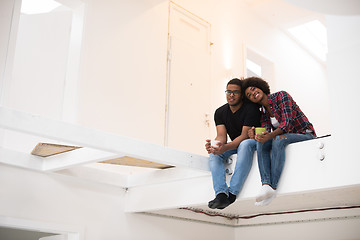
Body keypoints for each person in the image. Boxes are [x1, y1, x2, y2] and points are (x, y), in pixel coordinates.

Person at [243, 77, 316, 206]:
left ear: (260, 86)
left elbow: (287, 123)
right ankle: (265, 184)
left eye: (253, 89)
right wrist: (256, 135)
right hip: (287, 136)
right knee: (262, 142)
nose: (253, 94)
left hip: (305, 134)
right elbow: (266, 132)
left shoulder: (281, 96)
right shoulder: (264, 112)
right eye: (249, 95)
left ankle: (273, 188)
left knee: (277, 139)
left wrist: (269, 135)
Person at [205, 78, 261, 210]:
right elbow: (221, 136)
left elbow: (244, 136)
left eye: (235, 92)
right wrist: (215, 146)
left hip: (253, 142)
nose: (231, 95)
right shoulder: (220, 112)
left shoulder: (251, 108)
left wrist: (225, 147)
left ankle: (232, 193)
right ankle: (221, 194)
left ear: (241, 95)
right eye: (228, 91)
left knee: (245, 144)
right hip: (235, 145)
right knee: (214, 155)